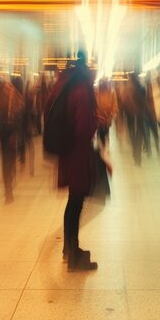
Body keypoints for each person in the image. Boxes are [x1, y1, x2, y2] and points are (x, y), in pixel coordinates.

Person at [48, 51, 99, 271]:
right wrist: (96, 122)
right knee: (76, 202)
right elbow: (84, 128)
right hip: (77, 153)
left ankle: (69, 249)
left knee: (73, 202)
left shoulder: (64, 84)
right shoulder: (82, 89)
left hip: (67, 152)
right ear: (88, 68)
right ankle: (73, 254)